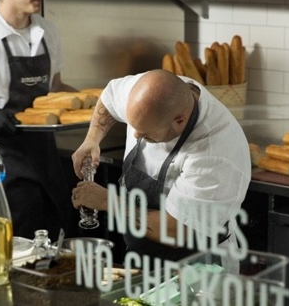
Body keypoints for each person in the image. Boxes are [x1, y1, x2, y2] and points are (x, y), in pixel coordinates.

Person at [71, 69, 251, 269]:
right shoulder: (149, 93)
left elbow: (177, 231)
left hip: (199, 270)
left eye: (146, 134)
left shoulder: (214, 152)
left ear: (180, 120)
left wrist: (106, 201)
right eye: (133, 127)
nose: (136, 135)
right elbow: (110, 97)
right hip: (142, 259)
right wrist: (92, 139)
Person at [0, 0, 77, 240]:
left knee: (57, 238)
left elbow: (56, 88)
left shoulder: (47, 31)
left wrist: (103, 102)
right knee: (16, 243)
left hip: (46, 155)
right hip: (1, 159)